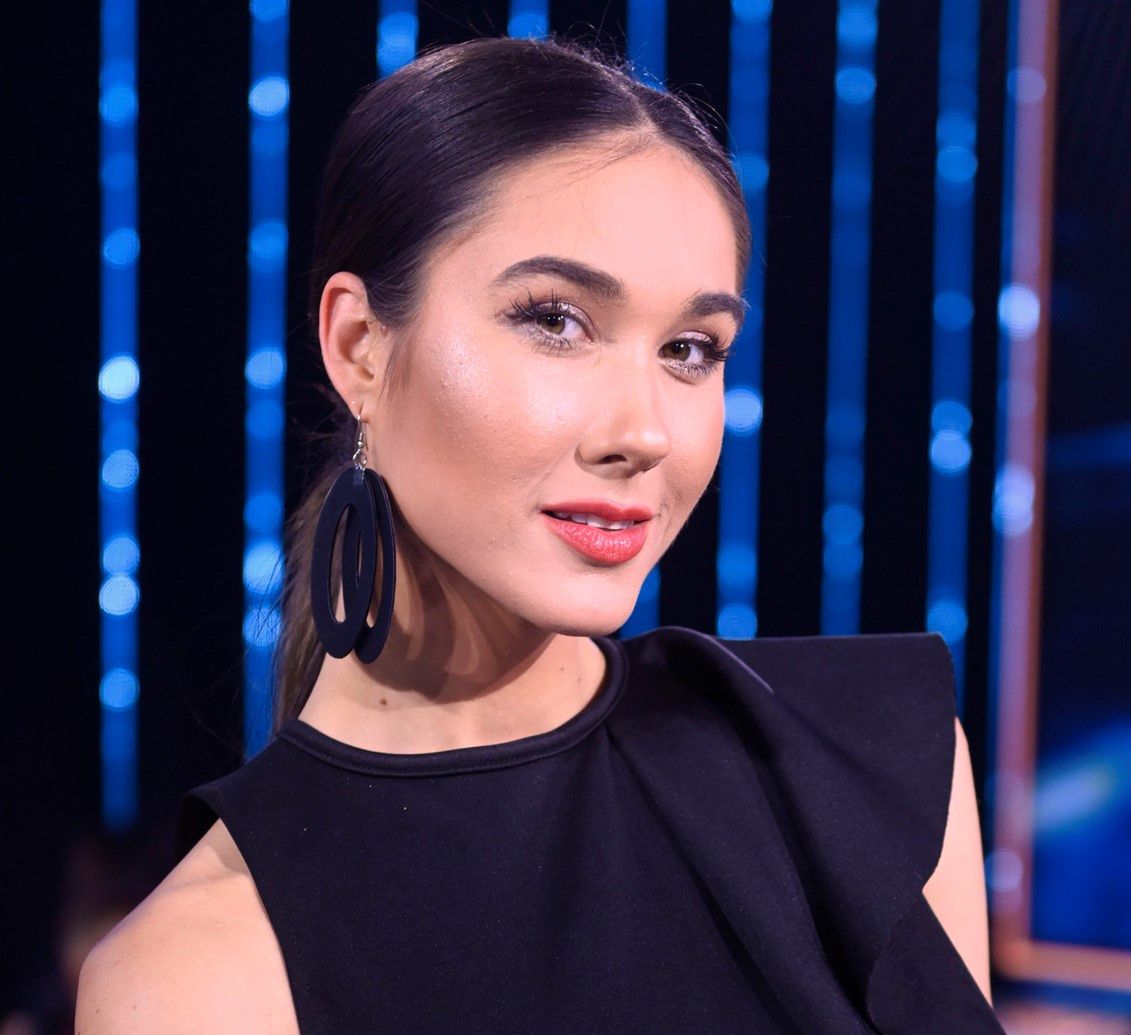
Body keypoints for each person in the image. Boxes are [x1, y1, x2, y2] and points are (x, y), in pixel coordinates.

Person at [75, 33, 1001, 1033]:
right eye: (555, 321)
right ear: (359, 347)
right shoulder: (198, 975)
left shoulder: (871, 766)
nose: (643, 433)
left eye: (691, 349)